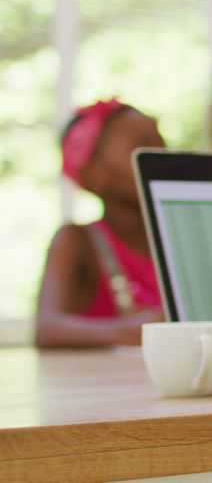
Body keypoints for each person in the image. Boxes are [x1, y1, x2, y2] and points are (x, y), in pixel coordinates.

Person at [36, 99, 165, 347]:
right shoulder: (77, 240)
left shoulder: (181, 240)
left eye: (162, 142)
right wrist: (127, 332)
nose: (160, 154)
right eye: (142, 146)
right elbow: (47, 329)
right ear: (92, 175)